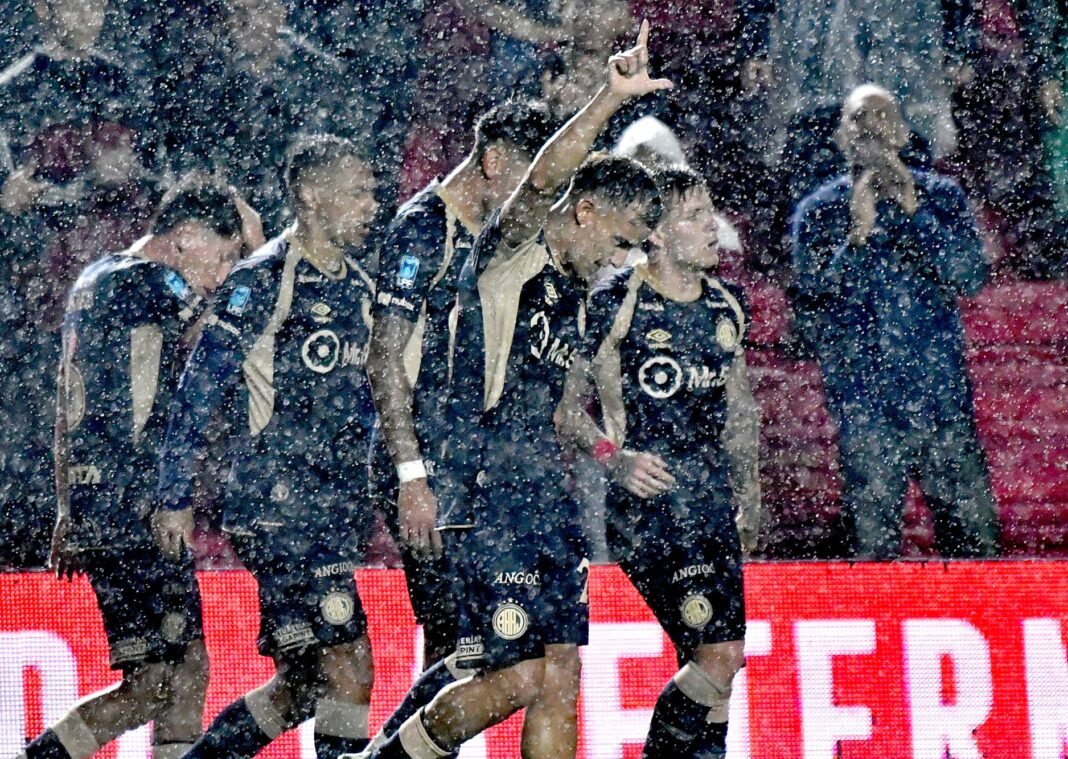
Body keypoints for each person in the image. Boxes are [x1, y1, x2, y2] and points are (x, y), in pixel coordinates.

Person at [368, 20, 670, 759]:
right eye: (623, 239)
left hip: (539, 491)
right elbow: (541, 179)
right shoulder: (510, 251)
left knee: (562, 670)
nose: (625, 259)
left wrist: (607, 452)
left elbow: (563, 406)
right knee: (515, 671)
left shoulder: (579, 290)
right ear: (587, 210)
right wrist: (608, 97)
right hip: (478, 482)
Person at [157, 134, 381, 758]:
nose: (372, 203)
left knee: (303, 685)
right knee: (351, 667)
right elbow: (197, 389)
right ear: (311, 195)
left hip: (330, 510)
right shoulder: (263, 280)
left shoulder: (360, 287)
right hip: (279, 505)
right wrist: (174, 496)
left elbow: (370, 405)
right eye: (358, 190)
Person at [24, 179, 246, 759]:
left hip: (100, 501)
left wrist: (68, 510)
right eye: (221, 255)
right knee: (169, 676)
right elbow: (233, 323)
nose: (222, 272)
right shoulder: (154, 282)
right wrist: (257, 239)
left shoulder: (94, 278)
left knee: (168, 674)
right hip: (138, 505)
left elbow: (62, 408)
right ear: (185, 236)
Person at [362, 99, 557, 751]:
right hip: (424, 462)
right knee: (466, 648)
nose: (538, 196)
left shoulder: (502, 236)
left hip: (469, 463)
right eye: (532, 176)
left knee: (457, 645)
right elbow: (383, 354)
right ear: (497, 160)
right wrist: (411, 475)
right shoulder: (423, 227)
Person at [556, 166, 760, 759]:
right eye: (695, 217)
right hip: (648, 505)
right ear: (658, 235)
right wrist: (612, 459)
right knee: (719, 654)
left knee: (713, 666)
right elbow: (564, 408)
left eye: (711, 213)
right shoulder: (618, 302)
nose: (712, 227)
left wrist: (748, 490)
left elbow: (739, 408)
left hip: (712, 501)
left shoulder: (726, 307)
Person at [790, 84, 1001, 559]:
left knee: (975, 546)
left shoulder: (942, 197)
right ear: (842, 136)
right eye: (858, 120)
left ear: (904, 133)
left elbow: (968, 277)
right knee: (872, 550)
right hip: (867, 408)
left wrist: (915, 213)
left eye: (882, 118)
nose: (871, 130)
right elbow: (811, 302)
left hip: (941, 403)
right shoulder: (819, 211)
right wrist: (858, 237)